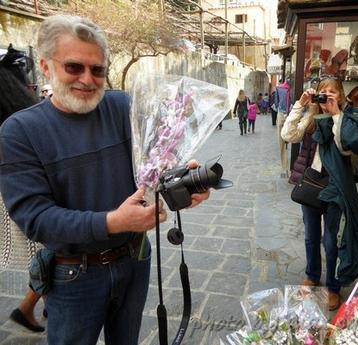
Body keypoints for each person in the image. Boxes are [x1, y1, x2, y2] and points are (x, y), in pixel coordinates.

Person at [0, 15, 209, 345]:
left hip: (135, 258)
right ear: (45, 65)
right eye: (74, 67)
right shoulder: (19, 132)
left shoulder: (121, 106)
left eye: (97, 69)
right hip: (73, 276)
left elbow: (150, 173)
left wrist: (182, 183)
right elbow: (36, 219)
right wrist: (112, 221)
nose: (88, 79)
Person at [281, 76, 358, 311]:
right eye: (323, 92)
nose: (327, 96)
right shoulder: (312, 117)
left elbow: (345, 145)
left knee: (333, 241)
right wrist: (300, 105)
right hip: (313, 185)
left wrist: (335, 114)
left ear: (341, 95)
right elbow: (288, 135)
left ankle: (333, 287)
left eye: (332, 92)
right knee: (311, 236)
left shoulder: (348, 119)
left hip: (336, 188)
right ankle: (312, 275)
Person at [0, 58, 45, 333]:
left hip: (13, 194)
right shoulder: (21, 115)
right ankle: (28, 306)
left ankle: (37, 304)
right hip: (20, 196)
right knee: (49, 251)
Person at [275, 80, 291, 176]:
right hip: (294, 112)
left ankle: (285, 168)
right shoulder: (294, 87)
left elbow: (276, 103)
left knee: (281, 142)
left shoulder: (279, 88)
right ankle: (289, 167)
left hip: (281, 113)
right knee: (292, 142)